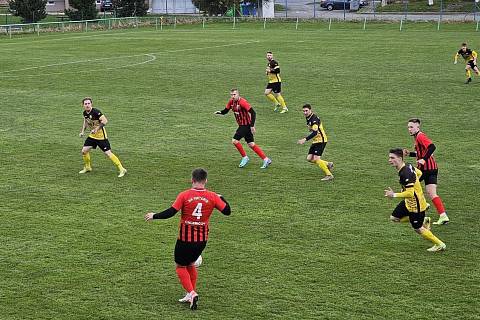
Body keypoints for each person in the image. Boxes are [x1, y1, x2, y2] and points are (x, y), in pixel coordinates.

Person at [145, 168, 231, 310]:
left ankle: (191, 293)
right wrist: (221, 197)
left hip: (185, 239)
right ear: (206, 181)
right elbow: (227, 211)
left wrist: (155, 215)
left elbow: (171, 212)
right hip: (202, 240)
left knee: (180, 266)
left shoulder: (184, 195)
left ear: (192, 180)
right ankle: (189, 293)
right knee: (190, 264)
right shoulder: (213, 196)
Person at [384, 149, 446, 252]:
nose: (389, 160)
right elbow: (420, 173)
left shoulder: (405, 173)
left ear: (400, 158)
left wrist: (393, 195)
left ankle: (440, 244)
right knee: (394, 218)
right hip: (408, 202)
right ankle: (424, 220)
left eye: (392, 158)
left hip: (416, 206)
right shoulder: (407, 165)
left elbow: (410, 193)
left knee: (418, 229)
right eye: (389, 157)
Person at [403, 118, 449, 225]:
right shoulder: (417, 137)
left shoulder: (420, 136)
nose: (409, 129)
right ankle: (443, 216)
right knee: (432, 193)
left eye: (411, 127)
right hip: (433, 168)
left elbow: (432, 147)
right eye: (408, 127)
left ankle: (423, 205)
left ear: (417, 127)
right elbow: (422, 152)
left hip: (425, 170)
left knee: (408, 186)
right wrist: (410, 153)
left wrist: (424, 159)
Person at [215, 88, 272, 169]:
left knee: (234, 141)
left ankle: (245, 157)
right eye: (231, 95)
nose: (233, 96)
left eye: (234, 94)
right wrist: (220, 112)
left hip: (245, 125)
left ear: (238, 94)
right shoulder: (231, 102)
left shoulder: (243, 102)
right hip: (243, 125)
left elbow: (253, 112)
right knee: (251, 144)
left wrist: (252, 126)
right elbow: (225, 111)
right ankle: (266, 159)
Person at [79, 97, 127, 178]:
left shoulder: (96, 112)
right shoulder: (85, 113)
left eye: (88, 103)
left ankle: (122, 169)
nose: (87, 105)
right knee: (84, 151)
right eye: (85, 104)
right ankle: (88, 167)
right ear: (83, 105)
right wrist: (82, 131)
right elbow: (85, 121)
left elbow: (105, 121)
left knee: (108, 153)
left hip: (101, 137)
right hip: (92, 136)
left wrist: (96, 129)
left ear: (91, 104)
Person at [297, 104, 334, 181]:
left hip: (321, 140)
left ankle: (329, 175)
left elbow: (315, 133)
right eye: (303, 111)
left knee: (317, 159)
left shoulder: (314, 119)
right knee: (309, 158)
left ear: (310, 110)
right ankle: (328, 164)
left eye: (306, 111)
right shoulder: (308, 117)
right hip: (315, 141)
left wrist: (305, 139)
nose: (305, 112)